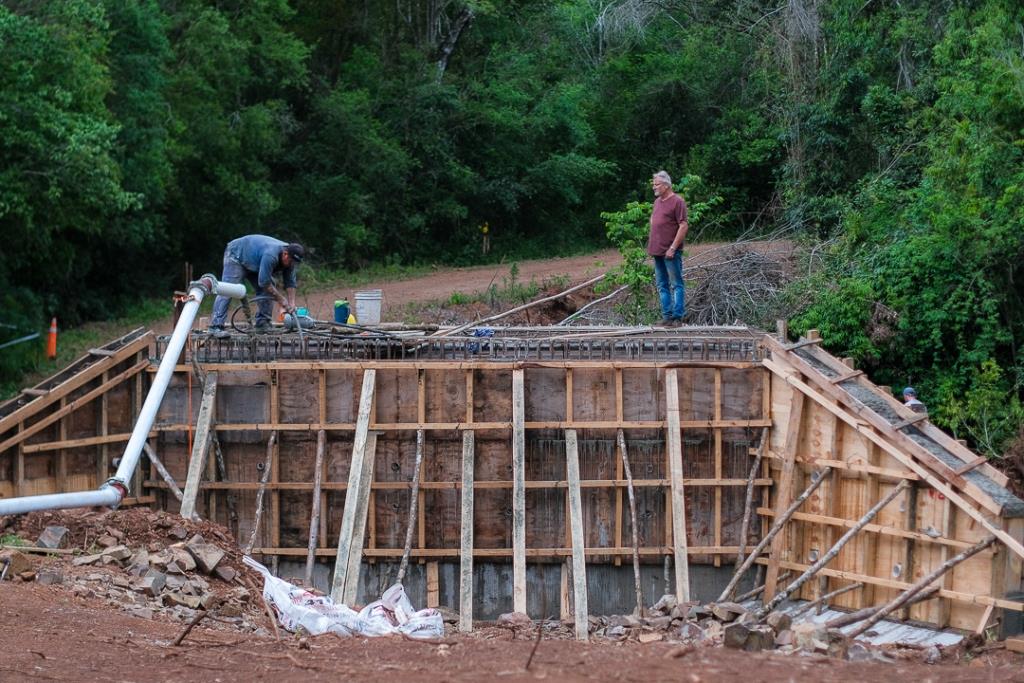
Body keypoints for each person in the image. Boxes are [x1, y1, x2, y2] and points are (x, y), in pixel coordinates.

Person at [207, 235, 304, 338]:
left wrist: (291, 303)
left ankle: (262, 324)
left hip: (254, 260)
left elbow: (290, 283)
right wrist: (282, 300)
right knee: (228, 289)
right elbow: (264, 282)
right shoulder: (271, 255)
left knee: (268, 289)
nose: (291, 265)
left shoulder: (290, 260)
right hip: (236, 254)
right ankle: (215, 326)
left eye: (294, 263)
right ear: (285, 254)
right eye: (291, 262)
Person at [647, 170, 688, 326]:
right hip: (657, 251)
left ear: (666, 185)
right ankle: (667, 317)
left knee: (676, 284)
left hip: (670, 251)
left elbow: (683, 225)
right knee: (662, 285)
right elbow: (654, 221)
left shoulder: (678, 201)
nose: (654, 187)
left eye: (657, 184)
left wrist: (673, 248)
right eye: (654, 184)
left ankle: (677, 317)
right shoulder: (657, 202)